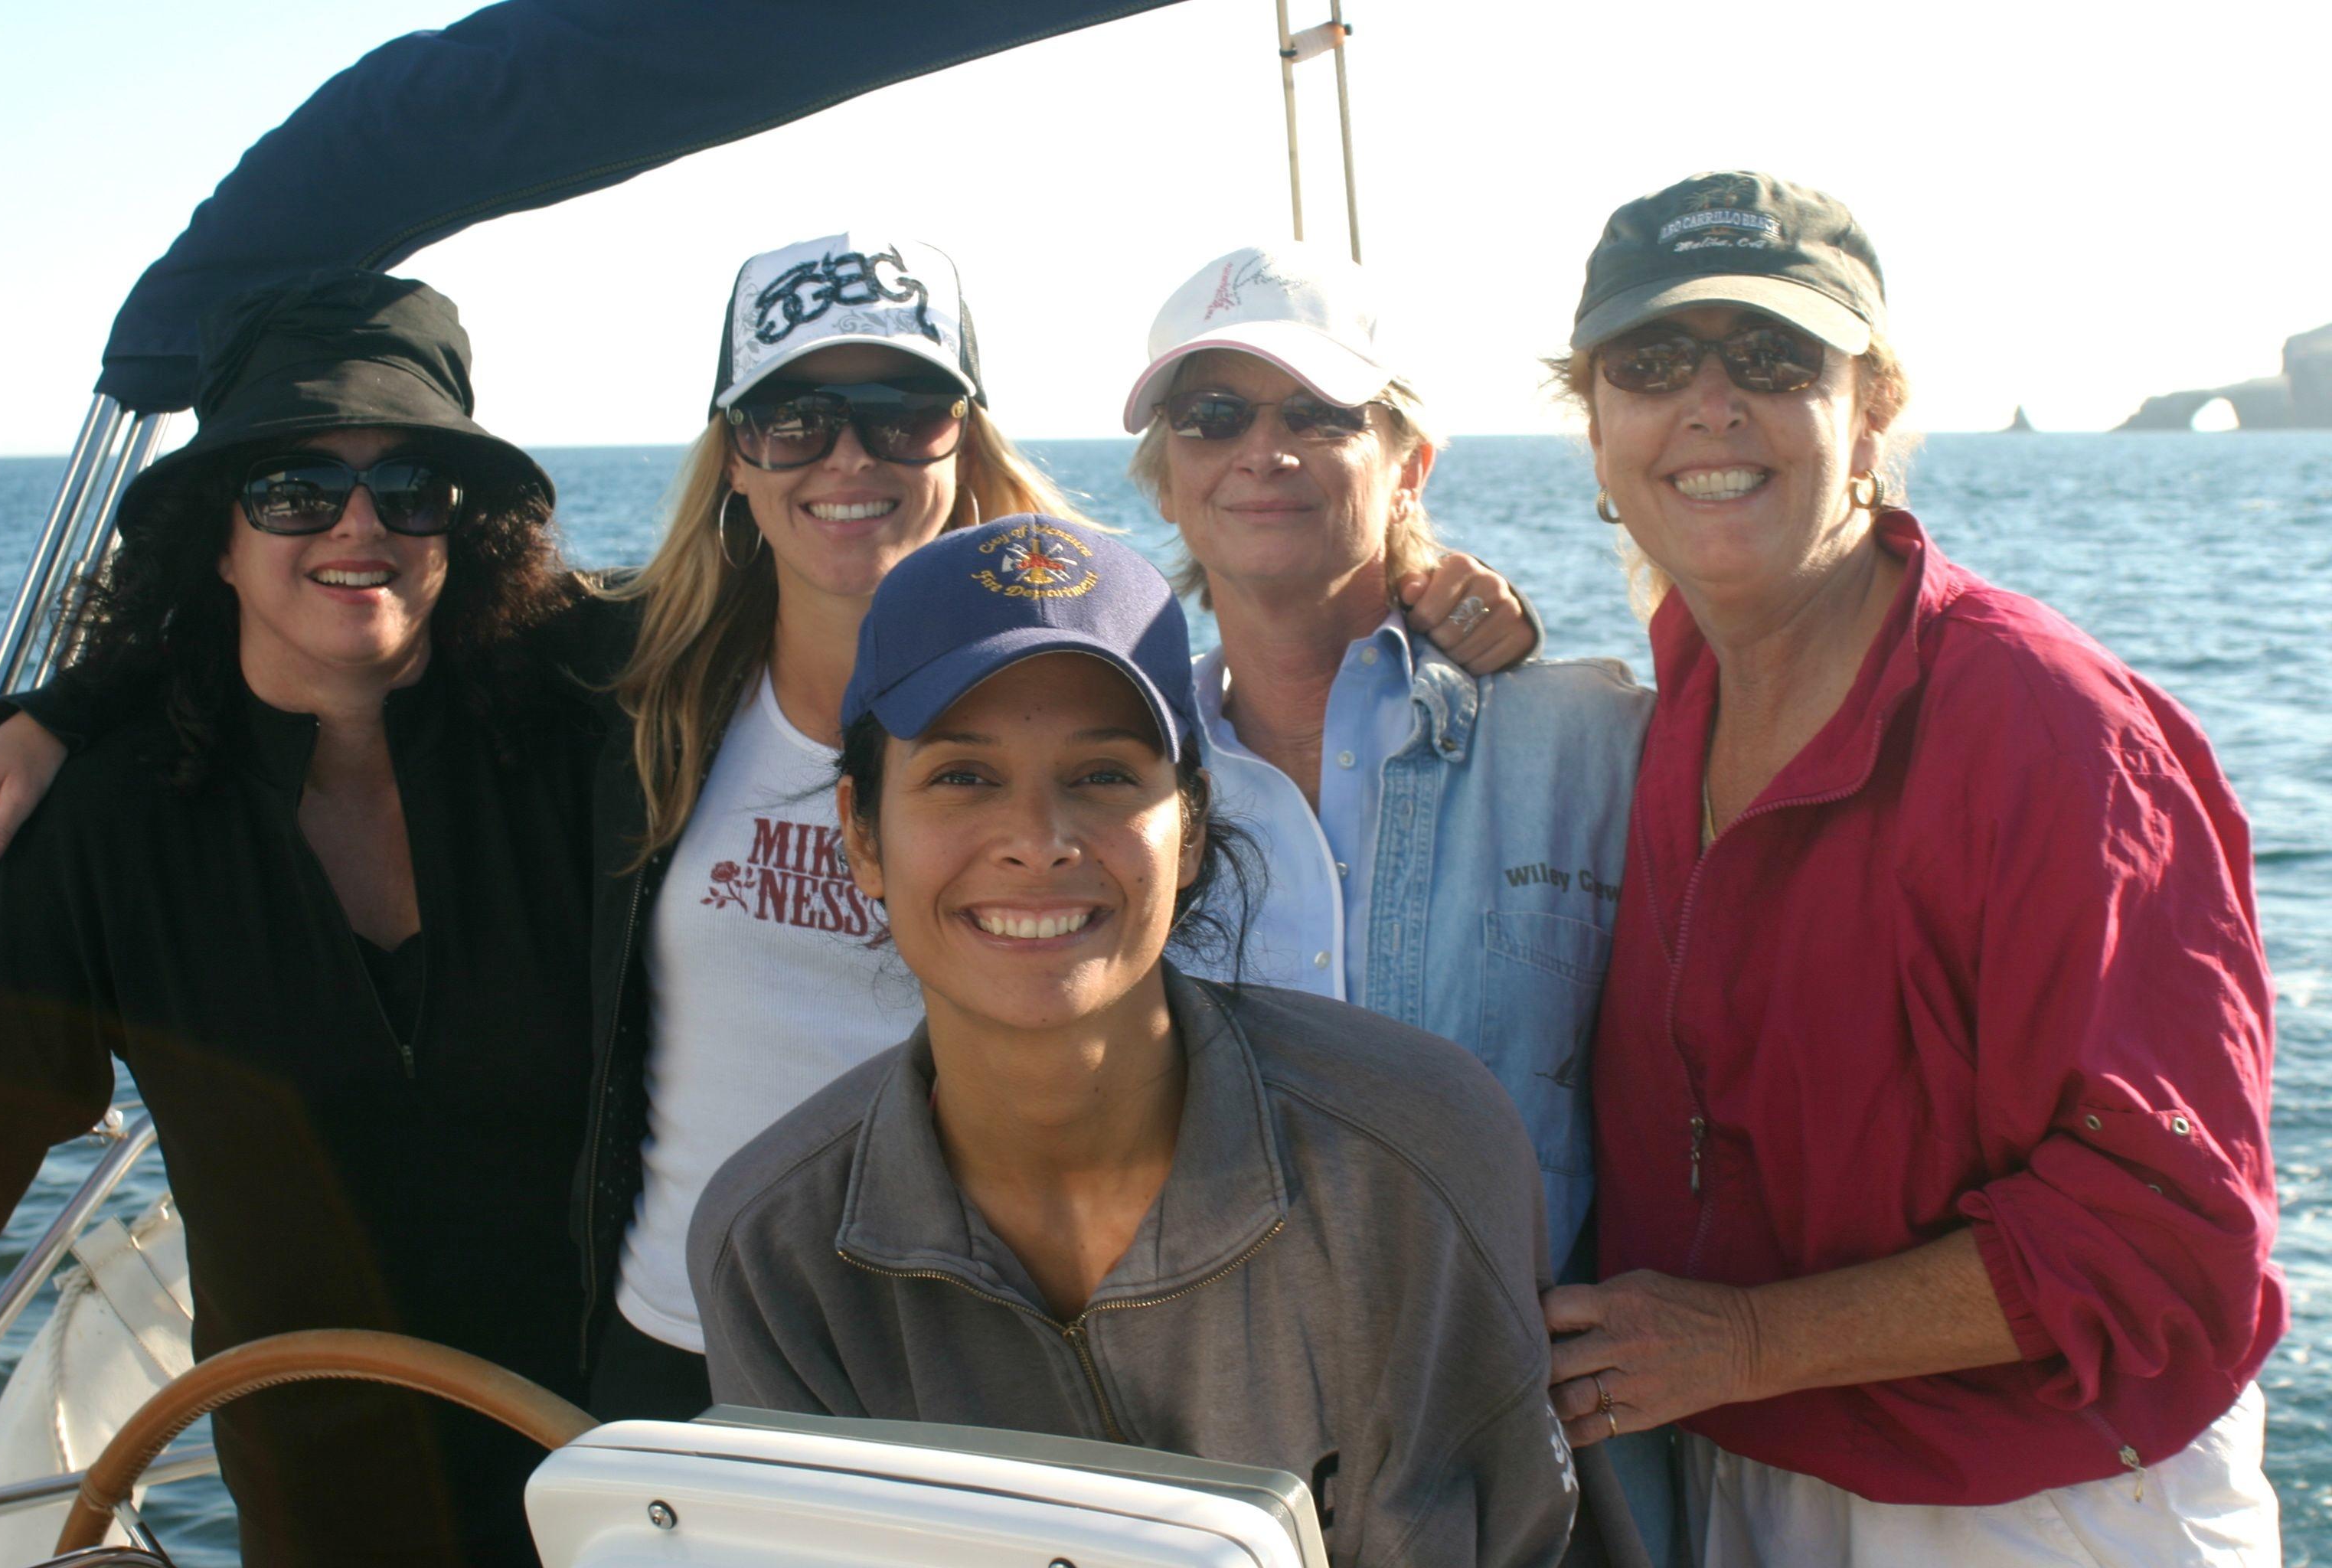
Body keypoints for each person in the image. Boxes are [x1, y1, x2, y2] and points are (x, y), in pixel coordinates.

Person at [0, 234, 1543, 1424]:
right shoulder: (638, 683)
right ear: (735, 451)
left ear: (963, 432)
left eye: (896, 410)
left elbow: (1268, 649)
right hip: (660, 1361)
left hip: (985, 1359)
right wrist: (66, 707)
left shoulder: (1083, 686)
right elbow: (325, 636)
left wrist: (1418, 578)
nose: (847, 458)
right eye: (793, 419)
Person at [1539, 172, 2285, 1563]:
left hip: (2034, 1500)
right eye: (1651, 365)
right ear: (1596, 424)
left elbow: (2169, 1232)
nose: (1711, 403)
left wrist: (1747, 1338)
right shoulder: (1671, 709)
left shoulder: (2045, 726)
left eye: (1772, 358)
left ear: (1871, 407)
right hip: (1752, 1454)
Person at [691, 519, 1589, 1568]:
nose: (1039, 838)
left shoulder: (1412, 1157)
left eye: (1107, 776)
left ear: (1195, 824)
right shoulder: (779, 1250)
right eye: (963, 778)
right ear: (861, 834)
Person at [0, 270, 598, 1566]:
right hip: (327, 1522)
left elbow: (803, 622)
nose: (357, 526)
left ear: (462, 528)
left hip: (628, 1495)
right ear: (218, 534)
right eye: (294, 491)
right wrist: (64, 715)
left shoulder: (589, 743)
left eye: (410, 487)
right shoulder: (109, 821)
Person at [1121, 244, 1671, 1553]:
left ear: (1410, 463)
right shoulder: (1117, 787)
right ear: (1169, 479)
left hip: (1542, 1480)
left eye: (1320, 413)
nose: (1265, 449)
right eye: (1215, 415)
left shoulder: (1596, 746)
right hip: (1205, 1478)